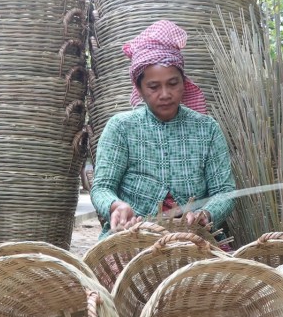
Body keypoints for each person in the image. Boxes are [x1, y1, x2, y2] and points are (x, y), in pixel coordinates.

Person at [90, 20, 235, 236]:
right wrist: (116, 206)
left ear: (184, 82)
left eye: (173, 83)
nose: (165, 94)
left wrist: (205, 214)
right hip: (131, 236)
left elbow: (224, 192)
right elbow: (102, 188)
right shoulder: (121, 128)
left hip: (195, 238)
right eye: (153, 87)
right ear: (139, 88)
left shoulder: (207, 129)